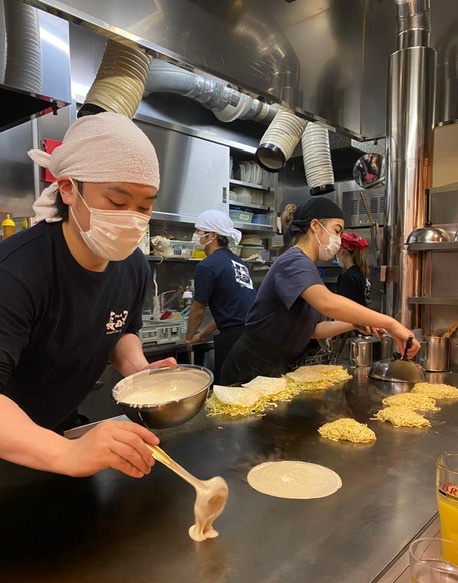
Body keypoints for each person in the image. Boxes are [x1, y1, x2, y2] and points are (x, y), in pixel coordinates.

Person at [0, 111, 177, 479]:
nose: (132, 218)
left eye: (144, 206)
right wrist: (68, 453)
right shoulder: (17, 271)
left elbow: (120, 330)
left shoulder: (133, 265)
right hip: (12, 442)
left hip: (59, 429)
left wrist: (139, 372)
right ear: (68, 189)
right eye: (117, 202)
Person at [220, 197, 420, 385]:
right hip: (251, 365)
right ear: (315, 226)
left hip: (274, 364)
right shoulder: (294, 261)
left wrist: (354, 323)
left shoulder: (307, 266)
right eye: (336, 231)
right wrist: (391, 323)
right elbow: (327, 303)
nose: (339, 240)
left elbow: (312, 331)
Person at [184, 209, 256, 381]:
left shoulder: (207, 266)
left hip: (233, 340)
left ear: (212, 235)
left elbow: (198, 310)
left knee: (228, 390)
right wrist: (202, 334)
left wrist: (188, 338)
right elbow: (231, 308)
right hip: (254, 336)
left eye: (198, 231)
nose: (195, 235)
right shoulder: (238, 262)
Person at [336, 232, 372, 306]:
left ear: (343, 251)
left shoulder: (349, 277)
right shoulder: (358, 272)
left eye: (338, 251)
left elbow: (344, 307)